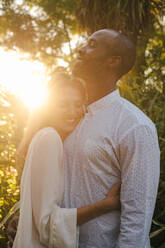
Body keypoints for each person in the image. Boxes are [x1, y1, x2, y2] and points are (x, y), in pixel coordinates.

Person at [63, 29, 160, 247]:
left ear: (113, 61)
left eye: (92, 44)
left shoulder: (135, 126)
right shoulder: (70, 116)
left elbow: (137, 217)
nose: (81, 49)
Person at [12, 72, 120, 248]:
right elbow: (47, 224)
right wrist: (104, 205)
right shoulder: (50, 138)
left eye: (78, 104)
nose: (72, 112)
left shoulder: (52, 139)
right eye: (63, 105)